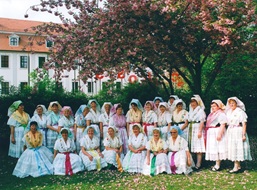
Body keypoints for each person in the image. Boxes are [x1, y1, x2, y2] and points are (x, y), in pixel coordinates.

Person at [225, 97, 252, 173]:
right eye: (230, 103)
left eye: (233, 103)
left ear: (236, 104)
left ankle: (236, 167)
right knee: (233, 147)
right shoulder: (228, 112)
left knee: (237, 147)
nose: (231, 104)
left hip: (238, 130)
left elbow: (244, 124)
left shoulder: (240, 112)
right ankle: (238, 165)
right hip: (231, 131)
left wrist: (243, 134)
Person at [205, 100, 228, 171]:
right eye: (212, 106)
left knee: (218, 147)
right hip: (211, 132)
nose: (213, 108)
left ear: (219, 106)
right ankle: (216, 163)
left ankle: (218, 165)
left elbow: (223, 124)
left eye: (214, 106)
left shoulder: (221, 114)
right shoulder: (212, 114)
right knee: (214, 147)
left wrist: (219, 134)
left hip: (217, 131)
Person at [188, 95, 206, 170]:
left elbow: (202, 121)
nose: (193, 104)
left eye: (194, 102)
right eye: (191, 102)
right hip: (191, 128)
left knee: (199, 147)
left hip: (197, 127)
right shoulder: (190, 110)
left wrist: (199, 131)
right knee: (192, 146)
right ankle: (193, 163)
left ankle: (199, 164)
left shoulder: (200, 111)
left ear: (198, 102)